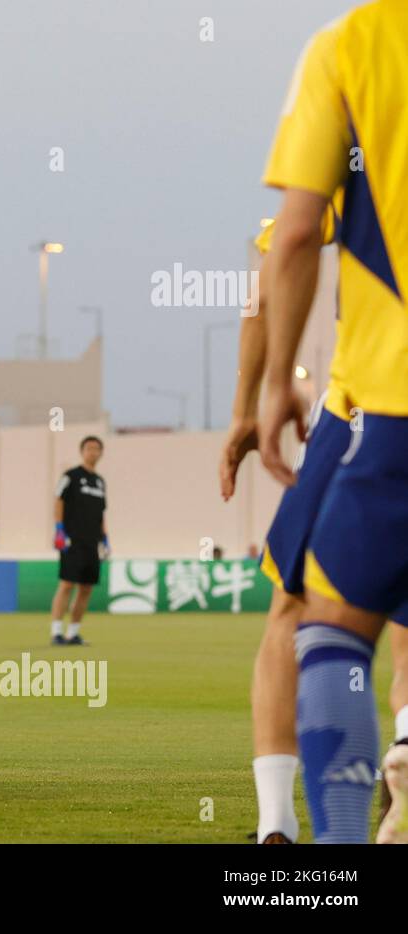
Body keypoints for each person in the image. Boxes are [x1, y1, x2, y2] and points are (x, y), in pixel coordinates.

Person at [257, 1, 408, 843]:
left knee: (332, 628)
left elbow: (296, 230)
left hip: (390, 402)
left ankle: (337, 849)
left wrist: (277, 381)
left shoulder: (352, 43)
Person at [223, 209, 408, 843]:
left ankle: (279, 823)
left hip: (366, 411)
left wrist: (253, 402)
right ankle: (406, 745)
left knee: (296, 610)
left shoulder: (353, 116)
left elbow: (286, 251)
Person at [49, 436, 108, 646]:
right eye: (89, 448)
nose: (93, 452)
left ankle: (73, 633)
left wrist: (105, 538)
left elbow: (102, 513)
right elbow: (58, 499)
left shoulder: (100, 482)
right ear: (82, 451)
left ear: (101, 453)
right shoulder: (70, 476)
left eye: (97, 449)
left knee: (86, 588)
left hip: (92, 542)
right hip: (72, 539)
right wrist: (59, 529)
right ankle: (56, 632)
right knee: (67, 584)